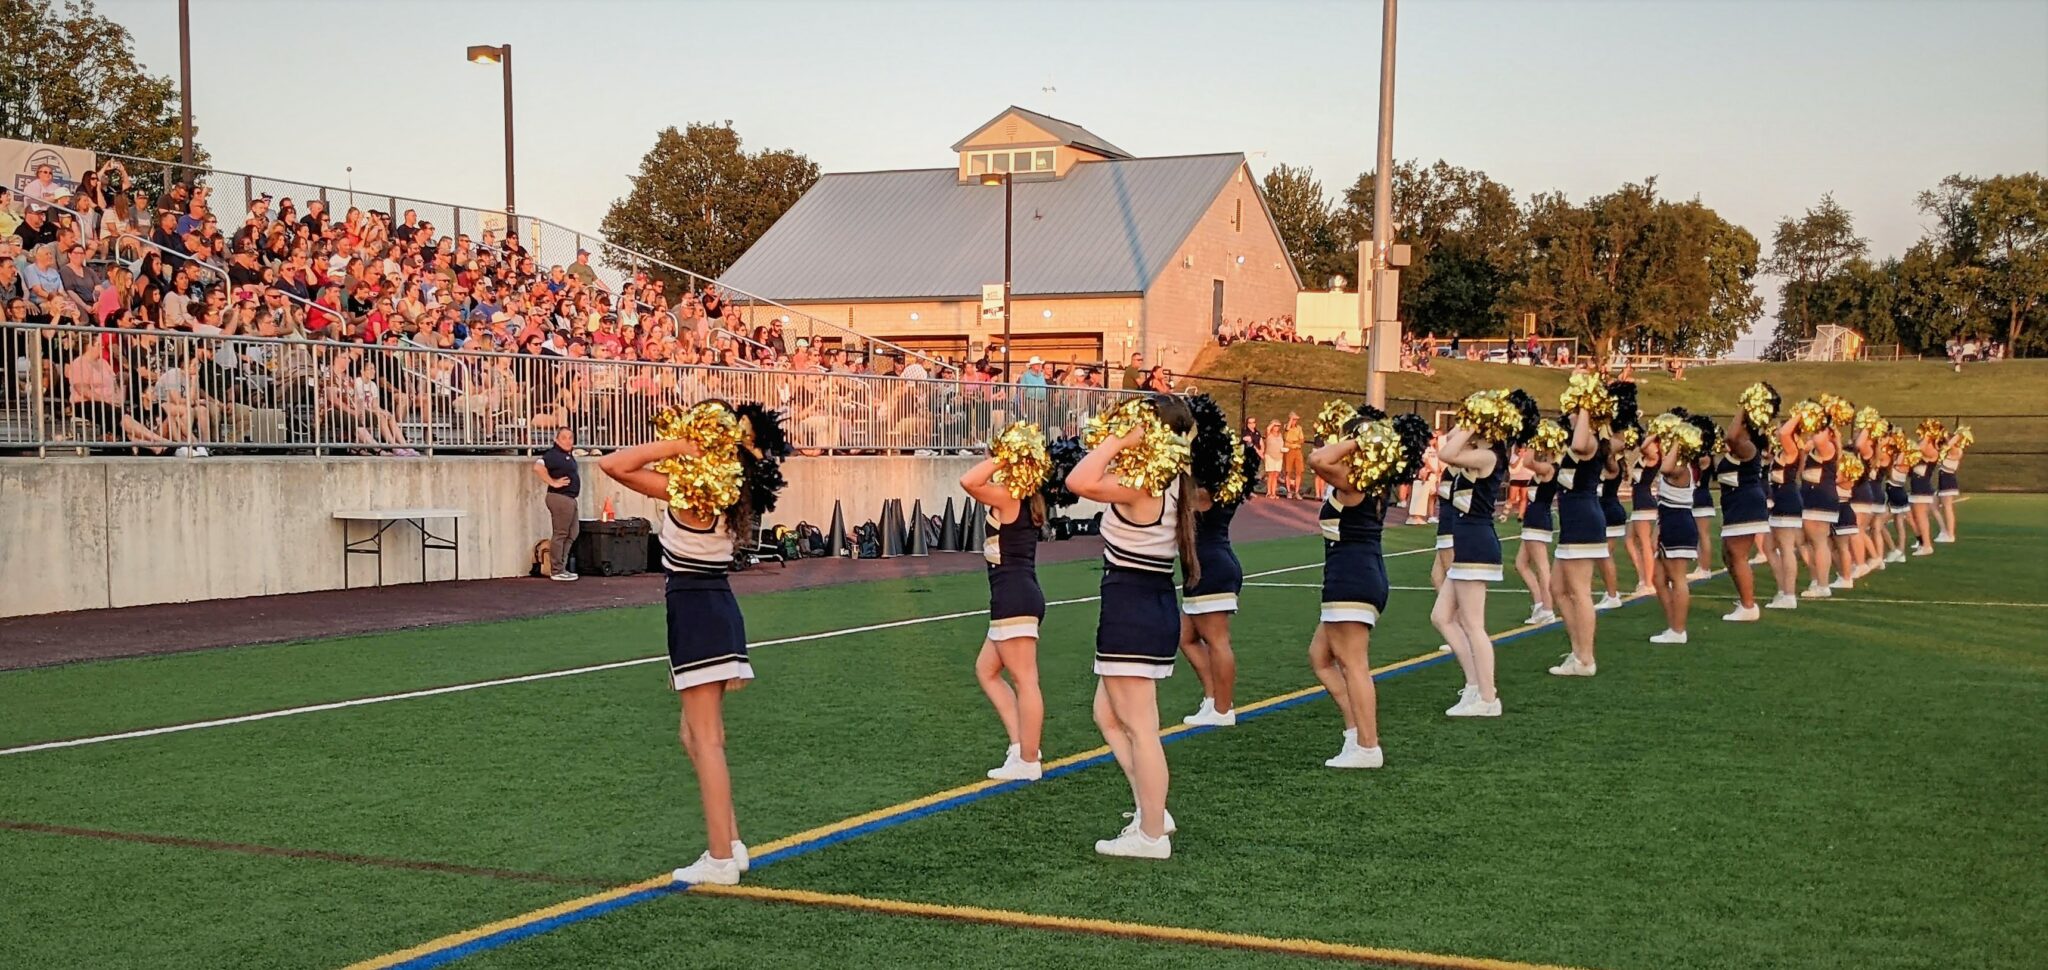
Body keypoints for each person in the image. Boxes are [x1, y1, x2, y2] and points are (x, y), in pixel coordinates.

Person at [599, 400, 787, 887]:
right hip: (711, 609)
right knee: (697, 737)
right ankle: (734, 842)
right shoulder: (727, 494)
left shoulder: (689, 495)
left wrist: (682, 445)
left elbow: (612, 464)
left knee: (706, 742)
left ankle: (721, 857)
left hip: (697, 612)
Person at [1064, 394, 1198, 859]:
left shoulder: (1142, 485)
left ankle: (1152, 833)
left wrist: (1120, 441)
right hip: (1149, 604)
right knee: (1107, 714)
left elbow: (1077, 480)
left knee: (1141, 726)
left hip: (1132, 608)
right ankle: (1152, 807)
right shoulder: (1170, 480)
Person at [1305, 406, 1416, 766]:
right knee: (1320, 658)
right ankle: (1355, 732)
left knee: (1354, 665)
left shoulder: (1356, 482)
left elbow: (1317, 458)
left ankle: (1368, 746)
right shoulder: (1367, 480)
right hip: (1355, 574)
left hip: (1352, 578)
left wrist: (1357, 437)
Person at [1433, 390, 1536, 717]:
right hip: (1468, 541)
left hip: (1476, 543)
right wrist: (1473, 418)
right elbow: (1449, 440)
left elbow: (1447, 452)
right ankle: (1475, 686)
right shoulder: (1480, 450)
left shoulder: (1489, 455)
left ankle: (1488, 698)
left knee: (1474, 625)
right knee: (1441, 617)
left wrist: (1475, 420)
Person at [960, 434, 1049, 782]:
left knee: (1026, 680)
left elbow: (968, 481)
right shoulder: (1022, 495)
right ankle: (1021, 745)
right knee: (986, 670)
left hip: (1015, 598)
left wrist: (1003, 456)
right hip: (1013, 597)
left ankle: (1029, 759)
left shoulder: (1011, 495)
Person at [1180, 398, 1247, 728]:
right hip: (1204, 566)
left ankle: (1223, 708)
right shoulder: (1221, 484)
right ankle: (1213, 698)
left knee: (1217, 640)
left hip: (1211, 567)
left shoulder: (1204, 491)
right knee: (1185, 637)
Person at [1548, 406, 1608, 676]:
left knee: (1580, 591)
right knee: (1557, 588)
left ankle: (1586, 658)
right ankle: (1577, 651)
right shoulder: (1582, 441)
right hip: (1572, 522)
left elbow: (1580, 442)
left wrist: (1585, 406)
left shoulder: (1589, 440)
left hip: (1584, 520)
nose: (1568, 414)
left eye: (1573, 410)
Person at [1716, 386, 1776, 622]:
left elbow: (1730, 436)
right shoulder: (1742, 445)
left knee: (1737, 554)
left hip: (1746, 504)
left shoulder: (1747, 446)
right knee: (1728, 554)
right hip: (1735, 504)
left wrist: (1743, 406)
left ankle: (1749, 606)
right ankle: (1744, 600)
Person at [1764, 414, 1808, 608]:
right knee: (1769, 547)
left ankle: (1789, 595)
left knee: (1786, 547)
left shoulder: (1792, 448)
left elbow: (1783, 432)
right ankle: (1783, 590)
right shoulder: (1785, 450)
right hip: (1781, 499)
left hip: (1788, 499)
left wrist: (1799, 414)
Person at [1514, 439, 1559, 627]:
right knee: (1521, 563)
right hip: (1532, 518)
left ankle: (1548, 609)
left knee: (1542, 566)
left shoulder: (1550, 468)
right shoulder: (1546, 467)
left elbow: (1527, 462)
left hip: (1539, 519)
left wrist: (1533, 439)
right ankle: (1540, 603)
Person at [1799, 409, 1842, 597]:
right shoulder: (1815, 448)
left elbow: (1817, 440)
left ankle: (1823, 585)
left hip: (1821, 497)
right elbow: (1801, 471)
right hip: (1808, 496)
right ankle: (1816, 578)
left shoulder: (1828, 447)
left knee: (1819, 541)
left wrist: (1816, 422)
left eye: (1819, 429)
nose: (1814, 432)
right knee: (1802, 541)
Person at [534, 428, 581, 581]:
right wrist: (553, 482)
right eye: (564, 438)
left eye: (570, 437)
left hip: (570, 498)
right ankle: (556, 570)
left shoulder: (568, 455)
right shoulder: (554, 455)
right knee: (560, 533)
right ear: (556, 440)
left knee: (572, 533)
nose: (568, 441)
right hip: (560, 498)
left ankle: (562, 566)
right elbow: (538, 467)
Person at [1935, 431, 1966, 543]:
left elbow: (1950, 444)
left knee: (1947, 507)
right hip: (1943, 480)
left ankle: (1950, 534)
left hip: (1948, 480)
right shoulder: (1947, 450)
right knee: (1933, 505)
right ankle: (1943, 531)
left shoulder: (1956, 450)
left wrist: (1951, 436)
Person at [1282, 412, 1308, 499]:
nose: (1295, 421)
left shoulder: (1299, 428)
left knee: (1299, 471)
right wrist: (1290, 419)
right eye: (1293, 419)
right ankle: (1289, 491)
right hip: (1289, 450)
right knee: (1288, 471)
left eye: (1296, 420)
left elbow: (1302, 439)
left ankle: (1297, 492)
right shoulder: (1286, 426)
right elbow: (1287, 429)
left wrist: (1295, 442)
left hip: (1298, 450)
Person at [1261, 420, 1284, 497]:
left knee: (1276, 475)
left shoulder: (1280, 435)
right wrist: (1273, 423)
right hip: (1270, 456)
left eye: (1278, 426)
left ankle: (1274, 492)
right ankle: (1269, 492)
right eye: (1275, 426)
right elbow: (1268, 429)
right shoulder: (1269, 434)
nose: (1276, 427)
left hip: (1279, 456)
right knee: (1270, 474)